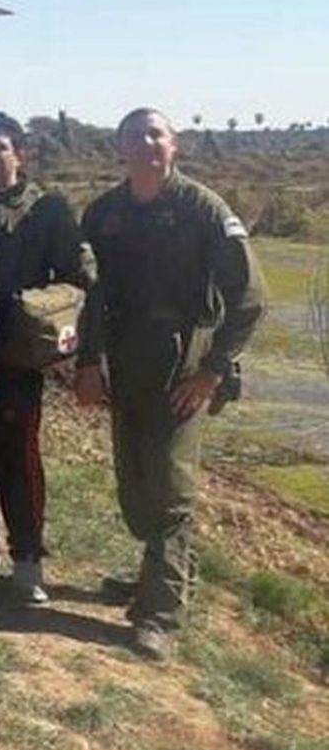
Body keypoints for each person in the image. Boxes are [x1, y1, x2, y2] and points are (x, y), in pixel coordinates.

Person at [75, 107, 266, 661]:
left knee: (170, 493)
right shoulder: (105, 212)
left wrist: (213, 371)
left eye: (155, 134)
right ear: (120, 148)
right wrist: (88, 363)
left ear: (173, 145)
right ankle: (164, 573)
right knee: (135, 490)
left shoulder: (203, 209)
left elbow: (251, 298)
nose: (146, 143)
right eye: (134, 136)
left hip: (185, 370)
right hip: (126, 366)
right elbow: (91, 297)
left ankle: (158, 613)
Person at [0, 111, 94, 605]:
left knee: (17, 457)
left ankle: (28, 558)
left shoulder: (46, 210)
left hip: (14, 356)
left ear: (20, 153)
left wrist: (41, 314)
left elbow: (78, 278)